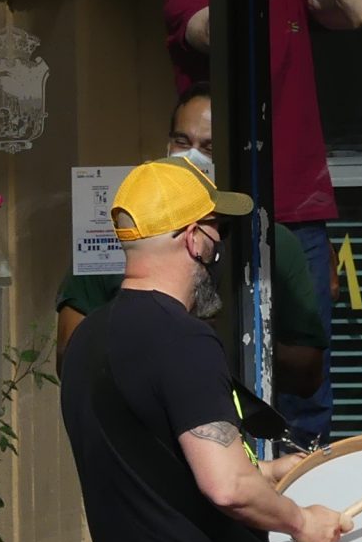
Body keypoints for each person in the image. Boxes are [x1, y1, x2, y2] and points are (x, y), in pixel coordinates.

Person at [58, 158, 347, 542]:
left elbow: (162, 468)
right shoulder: (182, 337)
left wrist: (271, 472)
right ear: (193, 238)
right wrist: (301, 522)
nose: (219, 244)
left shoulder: (85, 342)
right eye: (218, 228)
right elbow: (226, 487)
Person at [165, 0, 362, 442]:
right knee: (216, 354)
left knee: (306, 374)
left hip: (298, 212)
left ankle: (301, 499)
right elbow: (216, 33)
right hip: (218, 213)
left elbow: (360, 10)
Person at [54, 86, 328, 410]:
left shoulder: (271, 243)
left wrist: (231, 338)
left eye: (209, 147)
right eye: (181, 142)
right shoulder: (122, 231)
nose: (190, 156)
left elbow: (309, 374)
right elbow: (69, 355)